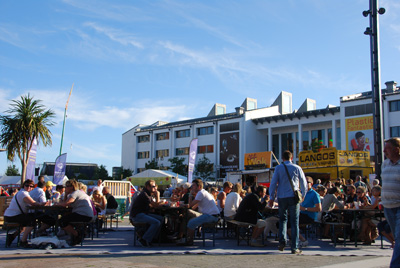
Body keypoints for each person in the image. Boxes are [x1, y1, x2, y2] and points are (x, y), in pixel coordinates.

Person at [268, 150, 307, 254]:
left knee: (282, 220)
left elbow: (273, 183)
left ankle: (282, 242)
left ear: (282, 158)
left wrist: (271, 197)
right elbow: (304, 183)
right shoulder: (297, 168)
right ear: (292, 157)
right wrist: (303, 195)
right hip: (293, 197)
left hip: (281, 197)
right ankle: (294, 247)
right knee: (294, 222)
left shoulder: (278, 168)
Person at [4, 179, 50, 247]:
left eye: (31, 186)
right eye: (27, 185)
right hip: (12, 216)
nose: (29, 187)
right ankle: (23, 241)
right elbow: (33, 203)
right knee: (31, 221)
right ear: (24, 186)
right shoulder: (23, 193)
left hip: (10, 215)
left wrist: (39, 204)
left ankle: (12, 236)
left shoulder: (23, 192)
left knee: (24, 225)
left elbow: (30, 204)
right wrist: (42, 204)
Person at [177, 178, 220, 246]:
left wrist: (190, 195)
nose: (192, 187)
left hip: (211, 216)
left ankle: (189, 241)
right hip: (213, 215)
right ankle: (183, 236)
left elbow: (190, 205)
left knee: (191, 223)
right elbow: (193, 206)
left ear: (199, 186)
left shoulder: (200, 193)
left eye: (193, 185)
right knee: (188, 216)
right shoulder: (203, 192)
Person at [58, 179, 94, 246]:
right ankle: (74, 235)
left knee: (62, 221)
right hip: (85, 214)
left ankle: (76, 234)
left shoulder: (75, 193)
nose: (65, 188)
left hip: (84, 215)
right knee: (65, 218)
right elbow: (66, 203)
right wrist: (66, 194)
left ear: (71, 187)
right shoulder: (75, 193)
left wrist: (57, 204)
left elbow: (66, 203)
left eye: (66, 186)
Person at [381, 137, 400, 267]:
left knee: (399, 239)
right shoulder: (385, 164)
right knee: (397, 237)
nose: (384, 151)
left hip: (399, 206)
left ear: (397, 149)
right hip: (388, 206)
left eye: (387, 148)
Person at [130, 180, 163, 247]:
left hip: (143, 213)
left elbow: (151, 205)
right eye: (153, 186)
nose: (155, 188)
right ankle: (144, 239)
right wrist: (158, 196)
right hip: (138, 215)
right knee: (156, 222)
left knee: (161, 219)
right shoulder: (145, 194)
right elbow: (156, 205)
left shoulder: (147, 194)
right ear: (148, 187)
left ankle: (152, 238)